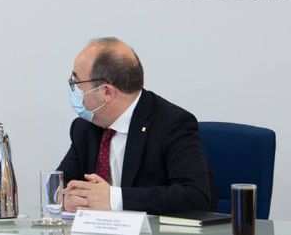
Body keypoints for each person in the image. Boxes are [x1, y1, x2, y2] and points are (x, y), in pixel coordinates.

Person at [58, 37, 215, 215]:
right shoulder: (85, 127)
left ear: (106, 92)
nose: (73, 89)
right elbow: (61, 183)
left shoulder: (172, 124)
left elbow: (195, 196)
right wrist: (66, 197)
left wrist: (113, 198)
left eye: (76, 82)